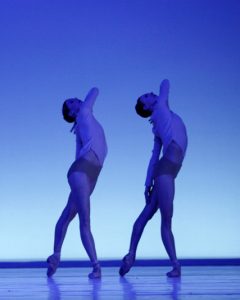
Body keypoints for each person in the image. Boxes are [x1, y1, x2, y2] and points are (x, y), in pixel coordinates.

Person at [119, 79, 187, 278]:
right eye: (146, 97)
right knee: (166, 220)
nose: (150, 93)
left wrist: (147, 184)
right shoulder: (161, 109)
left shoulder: (158, 123)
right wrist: (148, 183)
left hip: (165, 169)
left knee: (149, 212)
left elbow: (153, 156)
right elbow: (165, 84)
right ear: (148, 107)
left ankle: (131, 255)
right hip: (166, 169)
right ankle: (175, 265)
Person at [47, 87, 107, 279]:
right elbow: (95, 90)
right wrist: (83, 107)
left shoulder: (83, 121)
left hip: (88, 172)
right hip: (83, 171)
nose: (75, 99)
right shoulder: (84, 113)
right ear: (72, 113)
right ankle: (96, 267)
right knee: (85, 221)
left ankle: (55, 256)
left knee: (67, 215)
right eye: (71, 102)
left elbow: (77, 152)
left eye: (73, 99)